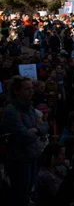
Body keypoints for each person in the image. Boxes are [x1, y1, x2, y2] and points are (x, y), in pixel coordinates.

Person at [0, 75, 48, 206]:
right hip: (19, 159)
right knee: (19, 195)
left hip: (32, 156)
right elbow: (25, 135)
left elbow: (44, 126)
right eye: (27, 89)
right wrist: (35, 130)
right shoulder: (11, 111)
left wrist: (36, 130)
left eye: (32, 88)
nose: (31, 91)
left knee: (28, 193)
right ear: (17, 91)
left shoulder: (30, 108)